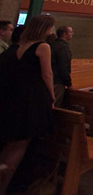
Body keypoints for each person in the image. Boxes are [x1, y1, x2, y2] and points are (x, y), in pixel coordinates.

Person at [0, 14, 55, 193]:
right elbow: (47, 74)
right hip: (32, 100)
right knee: (21, 144)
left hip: (18, 98)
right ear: (44, 28)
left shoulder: (21, 46)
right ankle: (4, 185)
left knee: (11, 143)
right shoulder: (43, 46)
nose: (52, 31)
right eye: (50, 27)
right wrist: (52, 96)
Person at [51, 25, 73, 107]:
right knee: (54, 105)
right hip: (58, 81)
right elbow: (64, 66)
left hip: (51, 79)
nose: (72, 34)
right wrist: (69, 83)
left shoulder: (52, 44)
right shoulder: (63, 47)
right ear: (64, 34)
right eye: (70, 32)